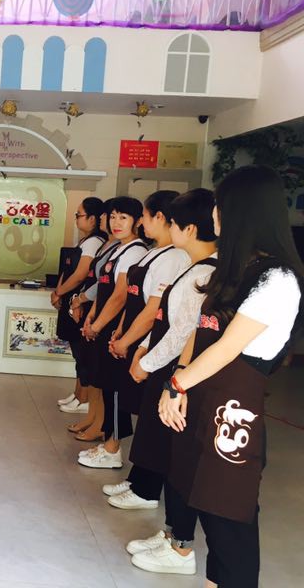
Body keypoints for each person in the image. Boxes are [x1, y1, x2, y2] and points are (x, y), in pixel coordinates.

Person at [159, 166, 303, 587]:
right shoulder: (235, 270)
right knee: (205, 506)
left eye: (220, 206)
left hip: (233, 414)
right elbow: (201, 333)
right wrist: (182, 376)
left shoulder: (277, 279)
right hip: (204, 401)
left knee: (229, 518)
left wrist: (176, 385)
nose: (214, 214)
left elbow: (228, 347)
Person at [122, 189, 218, 575]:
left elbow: (181, 334)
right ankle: (172, 534)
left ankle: (180, 546)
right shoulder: (192, 266)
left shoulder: (204, 273)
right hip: (170, 371)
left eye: (174, 223)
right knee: (169, 456)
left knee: (178, 461)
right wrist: (146, 351)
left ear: (189, 228)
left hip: (180, 376)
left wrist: (146, 362)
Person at [91, 191, 189, 476]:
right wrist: (121, 331)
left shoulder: (174, 257)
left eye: (142, 217)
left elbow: (153, 309)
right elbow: (134, 300)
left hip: (148, 343)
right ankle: (127, 466)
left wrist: (128, 340)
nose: (142, 223)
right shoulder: (154, 252)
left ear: (160, 217)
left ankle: (132, 471)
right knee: (120, 395)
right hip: (132, 338)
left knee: (144, 410)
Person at [78, 196, 146, 469]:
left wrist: (97, 325)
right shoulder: (119, 248)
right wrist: (92, 314)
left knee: (116, 389)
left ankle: (113, 448)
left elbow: (119, 296)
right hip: (104, 325)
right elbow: (103, 289)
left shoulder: (135, 252)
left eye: (123, 218)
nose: (116, 223)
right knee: (106, 386)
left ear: (138, 221)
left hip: (115, 330)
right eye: (113, 216)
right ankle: (107, 442)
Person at [67, 200, 120, 439]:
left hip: (108, 320)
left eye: (120, 217)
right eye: (110, 216)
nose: (109, 221)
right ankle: (92, 418)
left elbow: (115, 291)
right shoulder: (108, 246)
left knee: (102, 375)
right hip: (95, 312)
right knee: (93, 369)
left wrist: (82, 301)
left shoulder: (130, 250)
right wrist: (85, 305)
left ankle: (102, 427)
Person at [52, 197, 107, 413]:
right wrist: (58, 291)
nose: (76, 219)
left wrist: (60, 292)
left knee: (82, 353)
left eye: (79, 215)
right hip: (71, 299)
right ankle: (77, 394)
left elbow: (80, 275)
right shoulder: (85, 241)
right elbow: (67, 272)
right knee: (77, 352)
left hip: (81, 303)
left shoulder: (94, 242)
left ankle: (84, 398)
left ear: (93, 218)